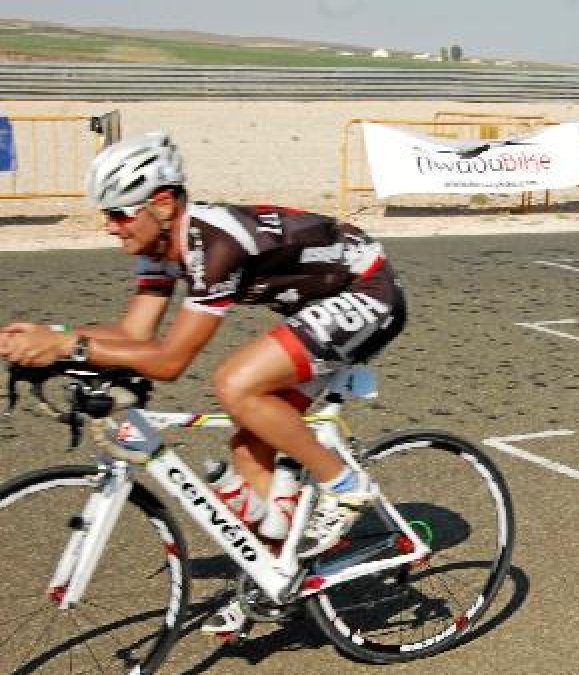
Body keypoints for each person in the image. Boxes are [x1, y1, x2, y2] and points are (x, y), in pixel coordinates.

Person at [0, 132, 406, 634]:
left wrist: (66, 346)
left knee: (235, 384)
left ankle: (345, 487)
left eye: (120, 214)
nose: (109, 226)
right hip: (314, 305)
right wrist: (50, 338)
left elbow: (169, 361)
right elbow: (133, 336)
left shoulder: (214, 243)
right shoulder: (159, 249)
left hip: (368, 291)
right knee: (247, 452)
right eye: (106, 214)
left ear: (162, 204)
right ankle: (276, 578)